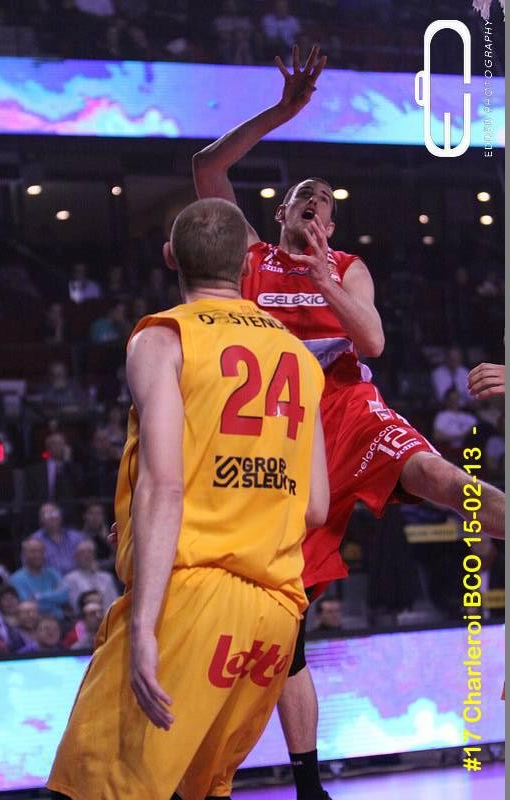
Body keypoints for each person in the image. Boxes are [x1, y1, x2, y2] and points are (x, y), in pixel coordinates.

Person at [193, 44, 506, 800]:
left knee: (442, 480)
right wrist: (282, 112)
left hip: (349, 411)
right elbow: (205, 169)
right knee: (288, 623)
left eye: (326, 202)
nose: (315, 204)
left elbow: (371, 343)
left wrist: (325, 277)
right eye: (303, 197)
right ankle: (308, 783)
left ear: (332, 222)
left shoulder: (346, 266)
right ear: (280, 211)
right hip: (280, 437)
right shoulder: (250, 258)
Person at [48, 197, 329, 800]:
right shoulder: (301, 358)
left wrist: (145, 626)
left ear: (170, 256)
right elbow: (315, 507)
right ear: (247, 264)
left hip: (191, 601)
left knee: (89, 786)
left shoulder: (164, 337)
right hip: (274, 617)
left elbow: (165, 485)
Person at [10, 537, 70, 621]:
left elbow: (65, 596)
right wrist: (54, 597)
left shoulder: (53, 573)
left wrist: (39, 596)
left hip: (59, 619)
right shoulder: (16, 579)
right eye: (33, 551)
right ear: (24, 555)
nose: (37, 555)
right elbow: (28, 604)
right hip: (34, 622)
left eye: (40, 551)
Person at [63, 539, 118, 613]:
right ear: (76, 557)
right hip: (84, 617)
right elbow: (74, 606)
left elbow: (115, 602)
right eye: (82, 553)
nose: (87, 556)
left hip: (109, 616)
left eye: (90, 552)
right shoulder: (70, 579)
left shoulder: (107, 578)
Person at [31, 502, 86, 576]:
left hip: (77, 579)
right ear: (41, 519)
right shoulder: (35, 540)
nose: (52, 517)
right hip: (49, 580)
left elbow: (88, 561)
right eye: (47, 514)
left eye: (55, 513)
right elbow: (30, 568)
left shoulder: (77, 537)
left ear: (61, 516)